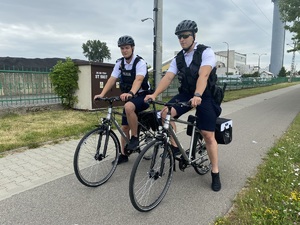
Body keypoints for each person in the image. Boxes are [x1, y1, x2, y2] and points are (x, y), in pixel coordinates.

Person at [144, 20, 222, 191]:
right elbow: (168, 77)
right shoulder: (179, 57)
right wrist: (154, 94)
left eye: (185, 36)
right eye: (179, 37)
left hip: (205, 95)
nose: (182, 39)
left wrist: (198, 95)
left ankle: (215, 172)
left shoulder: (205, 52)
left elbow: (204, 75)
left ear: (194, 36)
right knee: (165, 113)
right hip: (187, 94)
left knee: (208, 134)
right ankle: (175, 147)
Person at [94, 35, 150, 165]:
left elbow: (139, 80)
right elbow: (112, 79)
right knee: (124, 127)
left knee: (128, 107)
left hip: (143, 96)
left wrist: (131, 92)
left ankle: (135, 137)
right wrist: (102, 94)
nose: (124, 50)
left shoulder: (140, 63)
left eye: (127, 48)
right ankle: (123, 155)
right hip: (129, 97)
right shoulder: (120, 63)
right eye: (122, 48)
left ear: (132, 48)